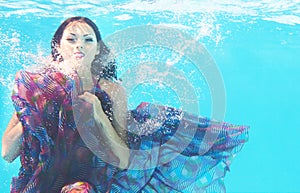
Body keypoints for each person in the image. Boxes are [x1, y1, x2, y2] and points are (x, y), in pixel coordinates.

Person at [2, 16, 249, 193]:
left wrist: (99, 114)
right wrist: (37, 111)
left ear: (97, 49)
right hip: (45, 180)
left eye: (88, 40)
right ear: (59, 46)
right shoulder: (36, 88)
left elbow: (122, 158)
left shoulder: (112, 91)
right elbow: (7, 154)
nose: (80, 45)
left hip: (94, 182)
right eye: (72, 39)